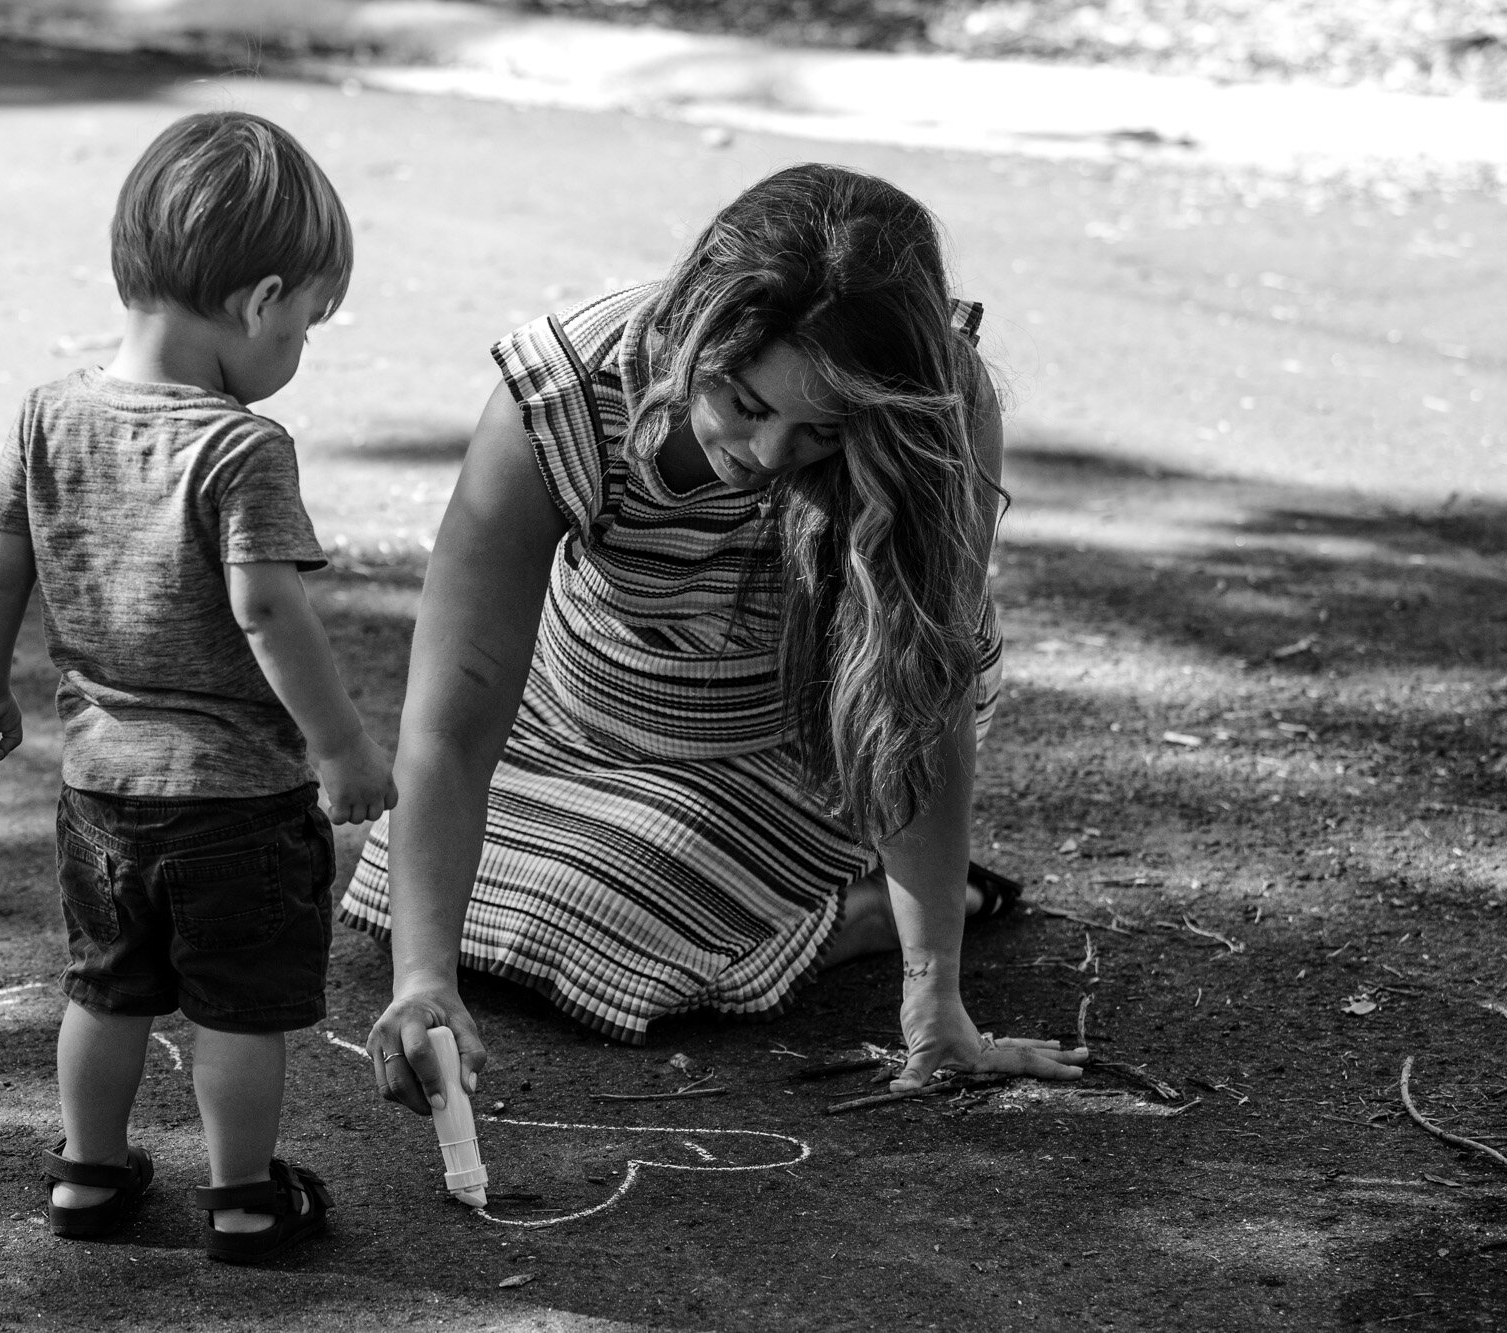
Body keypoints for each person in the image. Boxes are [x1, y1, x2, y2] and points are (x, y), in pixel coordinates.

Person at [347, 164, 1086, 1117]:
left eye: (824, 430)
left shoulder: (931, 412)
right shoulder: (561, 398)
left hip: (797, 751)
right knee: (411, 892)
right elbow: (454, 714)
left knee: (602, 927)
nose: (773, 456)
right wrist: (420, 977)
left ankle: (861, 910)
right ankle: (800, 900)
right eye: (747, 403)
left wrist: (933, 997)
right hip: (583, 723)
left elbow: (914, 697)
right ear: (694, 322)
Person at [0, 110, 395, 1262]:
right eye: (304, 322)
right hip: (234, 800)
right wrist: (340, 746)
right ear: (258, 301)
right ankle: (243, 1196)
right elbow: (264, 609)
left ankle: (87, 1179)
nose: (297, 347)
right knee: (238, 1008)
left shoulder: (48, 414)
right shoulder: (241, 447)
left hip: (100, 789)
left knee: (105, 987)